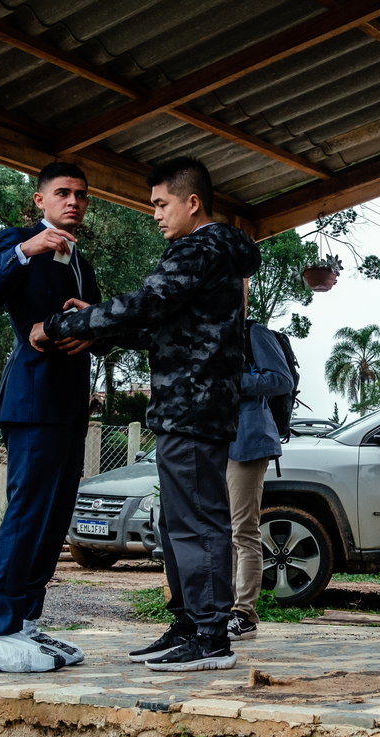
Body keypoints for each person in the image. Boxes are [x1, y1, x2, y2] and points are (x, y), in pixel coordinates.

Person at [29, 156, 259, 672]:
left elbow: (146, 303)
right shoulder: (212, 253)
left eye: (161, 203)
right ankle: (189, 623)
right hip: (187, 407)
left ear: (192, 203)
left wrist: (63, 325)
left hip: (192, 406)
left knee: (197, 521)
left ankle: (210, 635)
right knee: (178, 522)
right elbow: (162, 326)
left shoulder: (198, 248)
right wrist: (97, 329)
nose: (155, 214)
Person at [0, 162, 110, 672]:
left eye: (81, 195)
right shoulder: (17, 242)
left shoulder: (81, 260)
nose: (74, 201)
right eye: (63, 193)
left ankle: (26, 623)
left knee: (54, 518)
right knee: (26, 515)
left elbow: (99, 326)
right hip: (31, 401)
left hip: (72, 407)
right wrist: (26, 250)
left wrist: (93, 331)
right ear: (40, 200)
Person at [225, 315, 294, 641]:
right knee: (225, 532)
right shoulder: (214, 332)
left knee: (243, 531)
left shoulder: (254, 331)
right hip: (219, 442)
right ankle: (225, 610)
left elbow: (282, 380)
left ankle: (244, 615)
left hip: (249, 442)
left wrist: (233, 382)